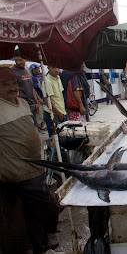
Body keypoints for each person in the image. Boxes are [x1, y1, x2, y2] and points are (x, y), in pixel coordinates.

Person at [0, 67, 59, 254]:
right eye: (5, 84)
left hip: (35, 168)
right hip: (15, 173)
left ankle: (41, 246)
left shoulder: (23, 103)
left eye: (13, 82)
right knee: (43, 209)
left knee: (35, 214)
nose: (11, 87)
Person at [12, 49, 42, 129]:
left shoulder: (27, 70)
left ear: (25, 58)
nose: (18, 62)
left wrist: (36, 102)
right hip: (22, 104)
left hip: (31, 103)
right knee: (25, 127)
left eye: (20, 60)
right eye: (16, 60)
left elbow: (31, 87)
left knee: (34, 126)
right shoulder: (12, 71)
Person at [42, 66, 67, 137]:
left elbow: (59, 97)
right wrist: (59, 114)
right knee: (54, 138)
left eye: (58, 67)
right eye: (53, 67)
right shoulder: (47, 81)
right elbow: (48, 101)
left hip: (61, 112)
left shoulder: (58, 78)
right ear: (48, 68)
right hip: (53, 114)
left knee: (63, 136)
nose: (56, 70)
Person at [30, 63, 47, 130]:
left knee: (43, 110)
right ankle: (39, 127)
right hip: (38, 100)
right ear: (33, 70)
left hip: (42, 100)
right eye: (37, 69)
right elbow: (34, 90)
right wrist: (38, 100)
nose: (39, 70)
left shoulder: (37, 77)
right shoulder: (33, 78)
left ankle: (42, 125)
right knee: (39, 114)